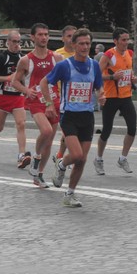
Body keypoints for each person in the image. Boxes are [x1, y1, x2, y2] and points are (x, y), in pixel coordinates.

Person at [43, 28, 105, 207]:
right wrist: (48, 104)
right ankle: (61, 164)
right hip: (69, 115)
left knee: (82, 159)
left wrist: (102, 95)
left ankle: (69, 194)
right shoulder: (65, 65)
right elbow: (45, 82)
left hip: (87, 116)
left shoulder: (94, 65)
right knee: (77, 155)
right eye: (81, 43)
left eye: (88, 43)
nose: (85, 47)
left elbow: (99, 86)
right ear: (74, 45)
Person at [11, 23, 64, 188]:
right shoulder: (26, 60)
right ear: (33, 37)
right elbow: (14, 82)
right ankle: (36, 157)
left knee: (49, 141)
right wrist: (26, 90)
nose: (44, 37)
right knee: (46, 131)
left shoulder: (57, 58)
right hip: (36, 102)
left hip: (54, 101)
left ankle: (39, 175)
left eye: (46, 34)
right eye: (40, 34)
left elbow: (64, 79)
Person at [0, 30, 31, 169]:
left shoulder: (23, 58)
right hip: (3, 96)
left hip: (18, 97)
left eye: (18, 42)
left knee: (21, 124)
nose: (16, 44)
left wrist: (26, 89)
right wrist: (7, 78)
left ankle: (21, 156)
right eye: (14, 41)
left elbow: (26, 77)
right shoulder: (2, 57)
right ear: (8, 42)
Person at [94, 27, 137, 175]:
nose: (127, 42)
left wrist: (132, 78)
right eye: (123, 40)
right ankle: (99, 159)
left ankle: (123, 158)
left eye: (128, 39)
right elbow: (97, 76)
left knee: (132, 128)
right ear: (115, 41)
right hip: (111, 97)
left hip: (126, 96)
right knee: (106, 130)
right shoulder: (108, 55)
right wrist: (112, 77)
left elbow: (128, 72)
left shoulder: (130, 54)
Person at [51, 25, 77, 165]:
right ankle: (62, 157)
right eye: (69, 36)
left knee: (69, 131)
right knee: (68, 131)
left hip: (78, 99)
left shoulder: (81, 54)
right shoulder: (57, 55)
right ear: (63, 38)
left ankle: (60, 155)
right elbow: (49, 78)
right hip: (61, 99)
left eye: (74, 36)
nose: (72, 39)